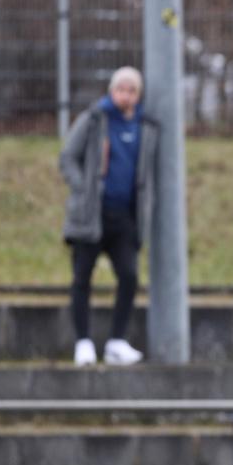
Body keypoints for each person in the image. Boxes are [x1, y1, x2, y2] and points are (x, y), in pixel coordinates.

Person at [60, 66, 159, 366]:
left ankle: (116, 341)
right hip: (91, 216)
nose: (125, 96)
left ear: (138, 95)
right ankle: (83, 342)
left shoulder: (146, 126)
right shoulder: (93, 120)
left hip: (125, 217)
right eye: (121, 90)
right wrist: (84, 189)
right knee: (82, 277)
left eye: (132, 91)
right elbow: (68, 158)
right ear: (111, 90)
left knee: (129, 276)